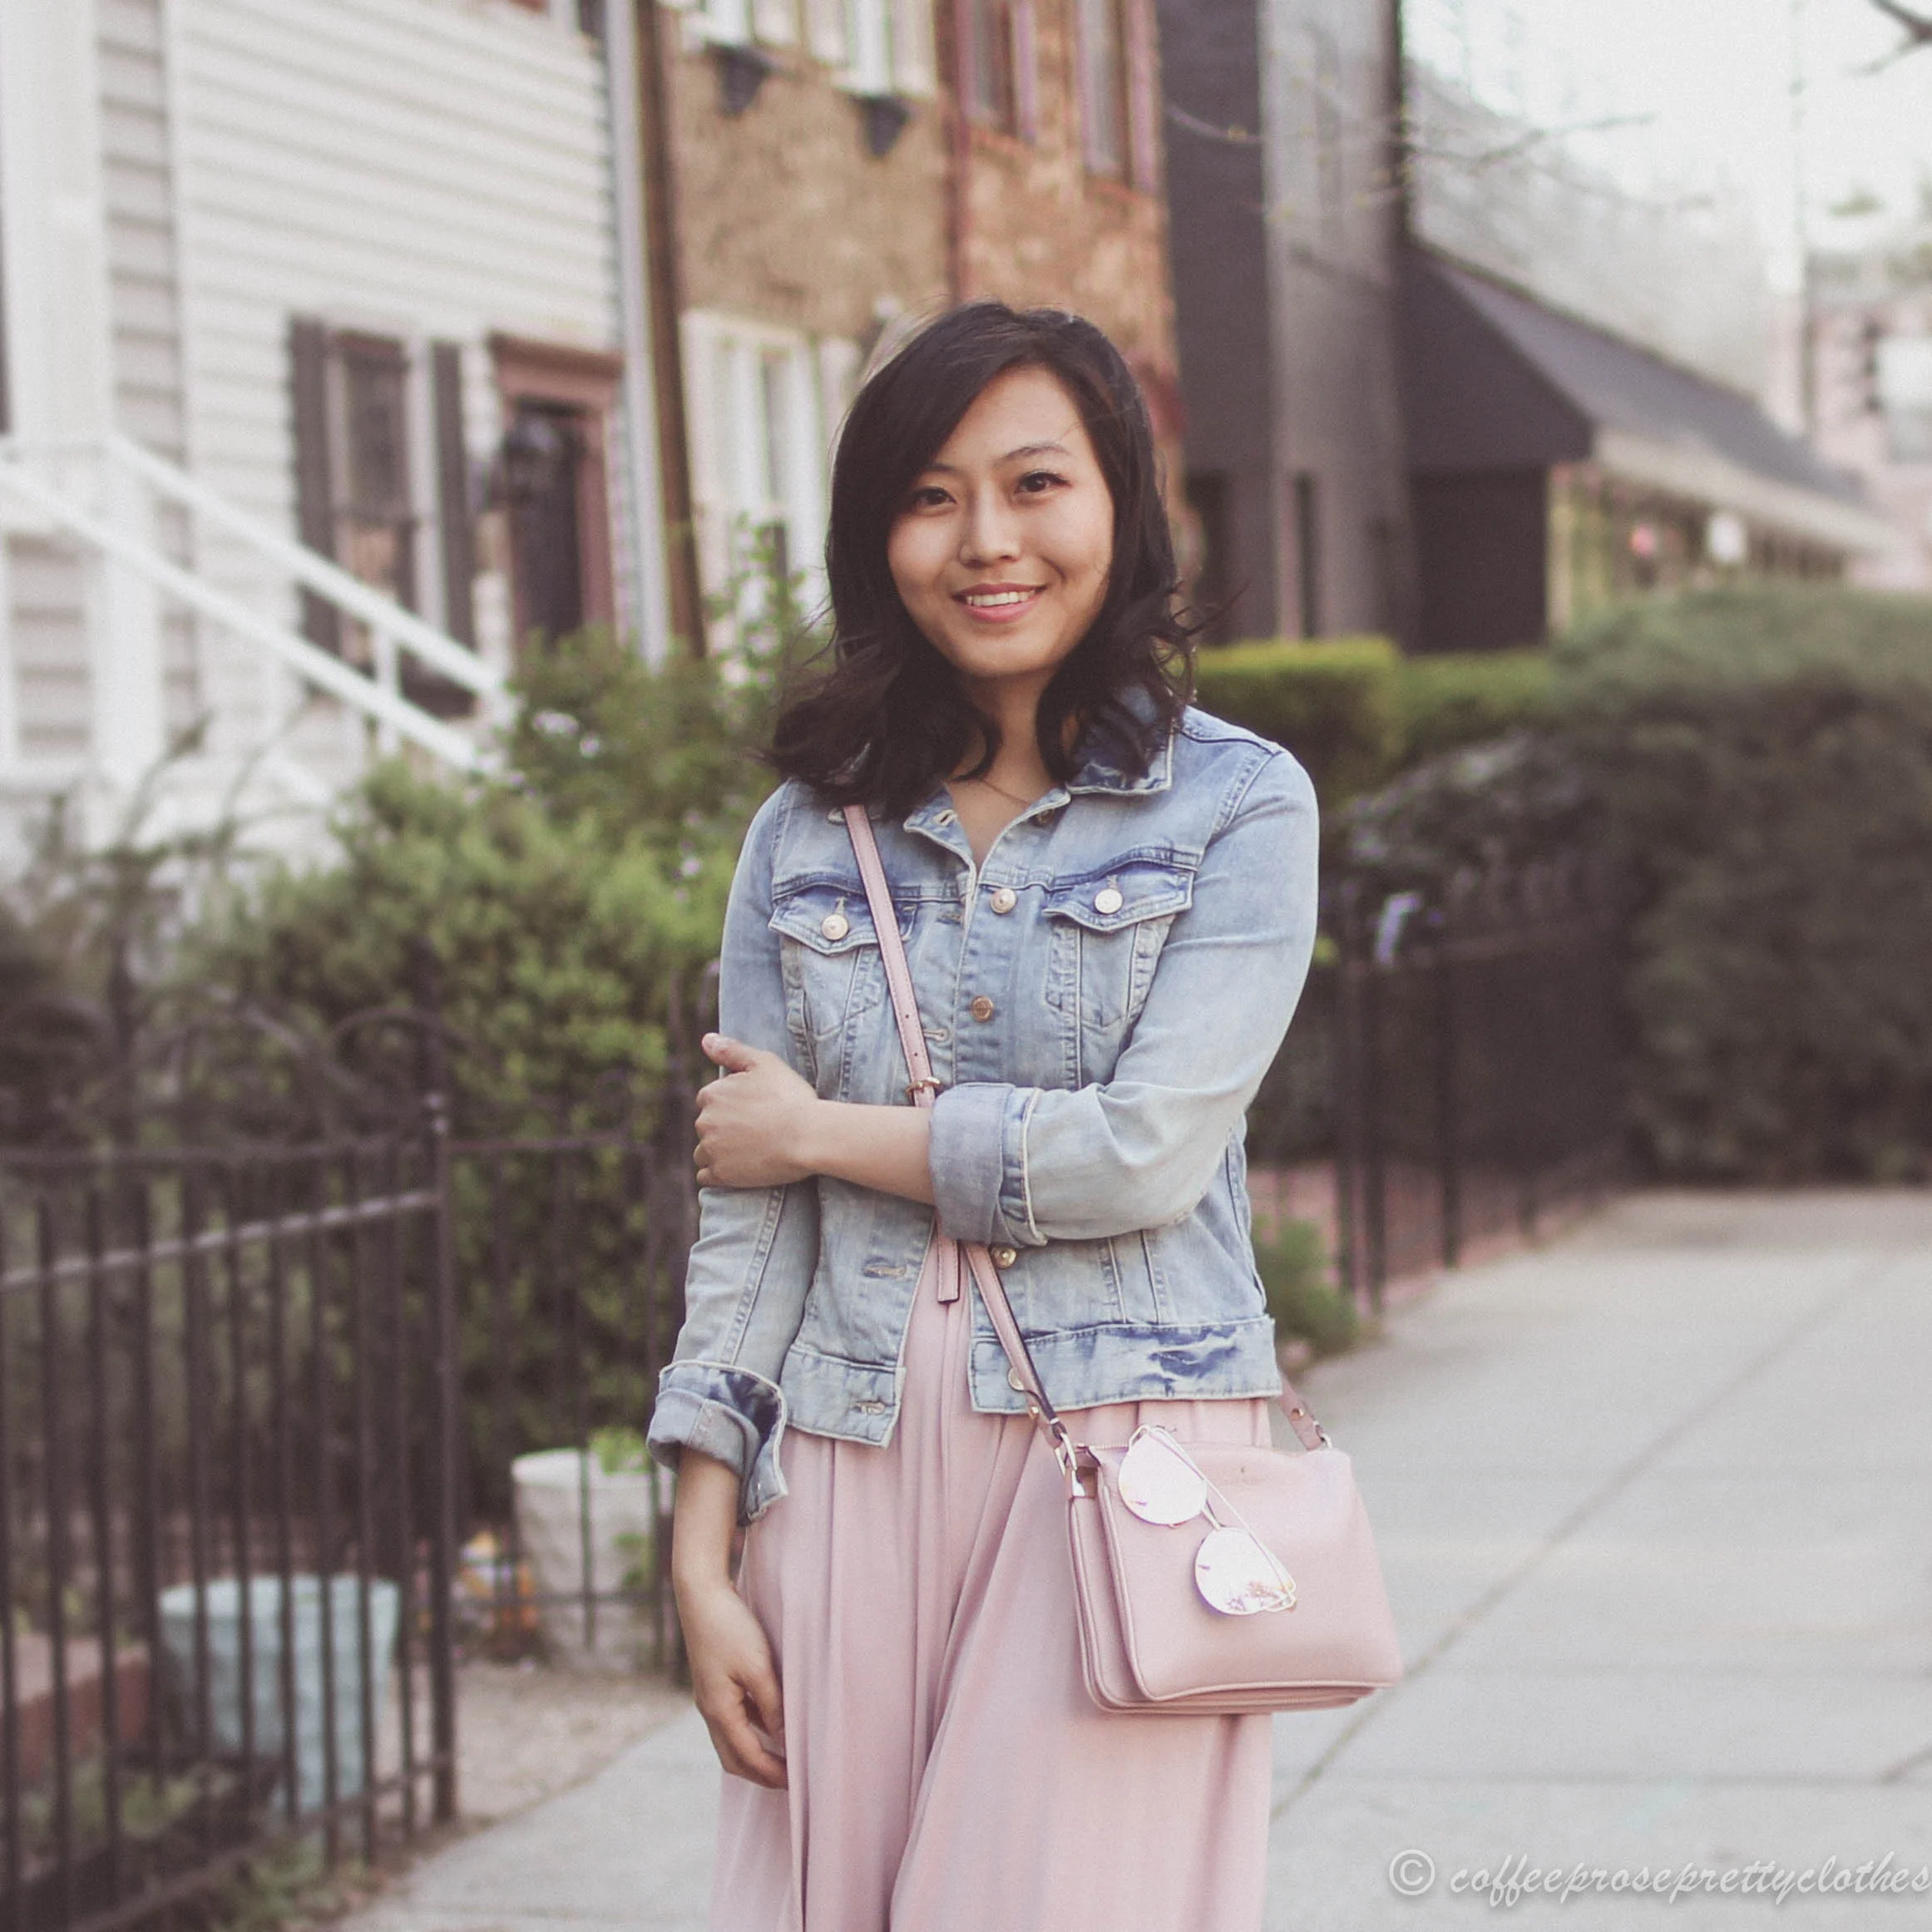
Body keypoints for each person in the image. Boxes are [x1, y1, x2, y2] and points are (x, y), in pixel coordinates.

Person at [646, 301, 1320, 1932]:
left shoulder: (1239, 807)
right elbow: (745, 1219)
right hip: (852, 1460)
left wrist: (825, 1137)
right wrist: (698, 1550)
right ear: (878, 535)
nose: (988, 541)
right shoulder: (806, 834)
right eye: (932, 496)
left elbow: (1141, 1155)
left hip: (1131, 1459)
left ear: (1118, 511)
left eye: (1036, 485)